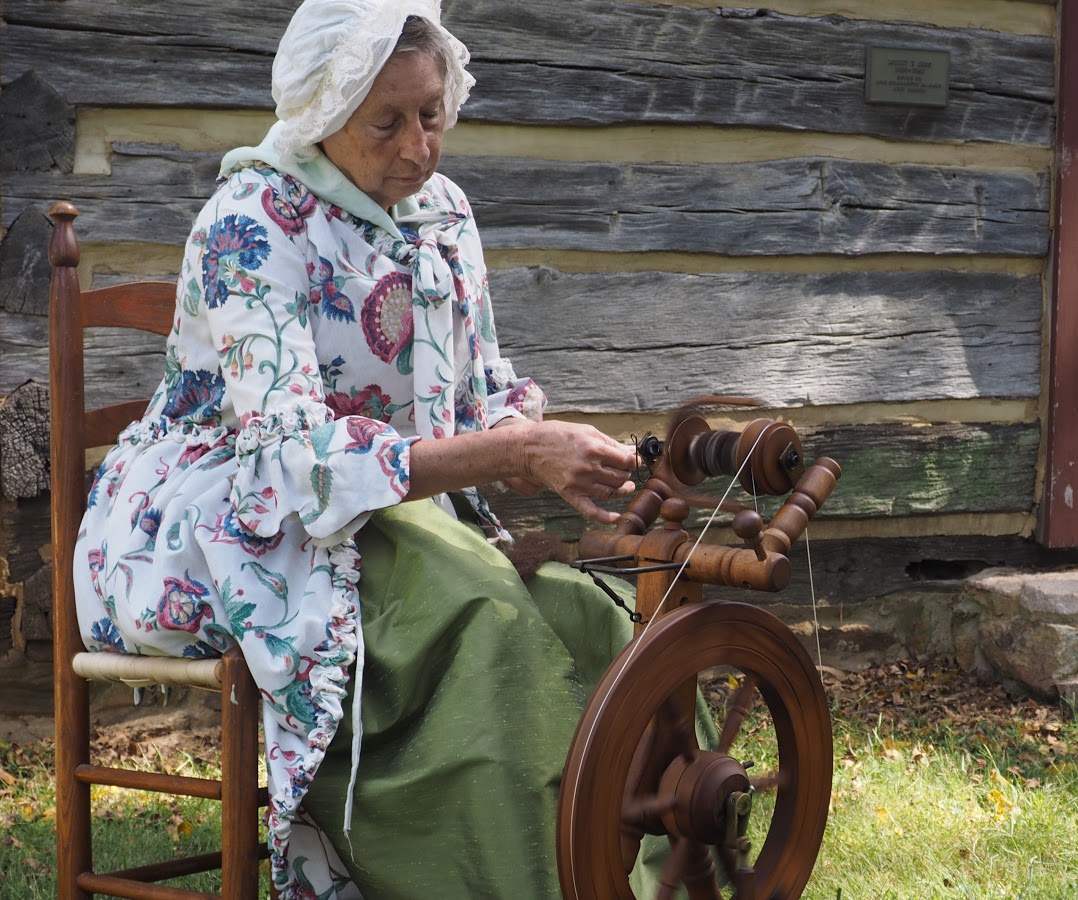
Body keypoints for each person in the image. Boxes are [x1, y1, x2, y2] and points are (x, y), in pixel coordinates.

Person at [72, 1, 647, 895]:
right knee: (482, 623)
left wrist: (531, 443)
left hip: (401, 516)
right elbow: (294, 461)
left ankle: (622, 876)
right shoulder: (252, 218)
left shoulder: (444, 213)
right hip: (226, 519)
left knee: (595, 620)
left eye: (432, 113)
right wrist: (515, 455)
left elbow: (480, 392)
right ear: (324, 112)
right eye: (387, 123)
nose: (419, 147)